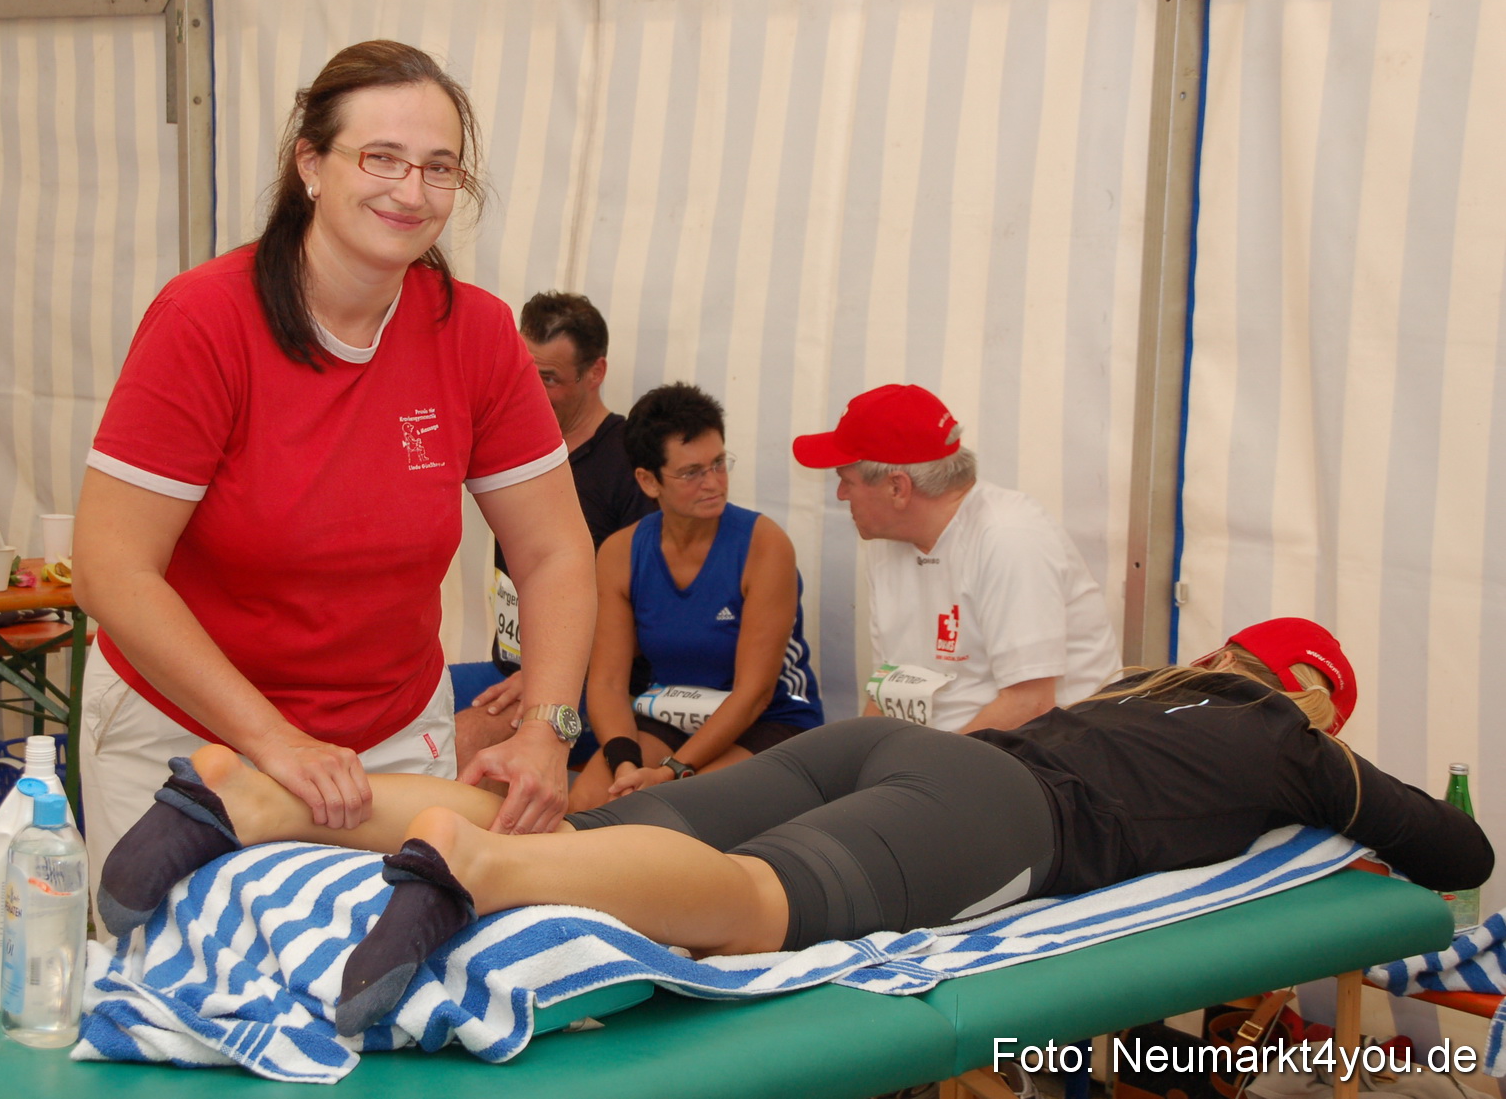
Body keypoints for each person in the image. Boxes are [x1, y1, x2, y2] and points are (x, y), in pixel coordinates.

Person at [96, 618, 1490, 1038]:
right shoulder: (1295, 747)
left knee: (627, 816)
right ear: (1302, 693)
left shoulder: (1142, 691)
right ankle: (488, 866)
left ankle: (261, 793)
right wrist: (1332, 772)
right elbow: (1458, 858)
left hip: (899, 748)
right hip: (997, 816)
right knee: (747, 899)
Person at [71, 41, 598, 908]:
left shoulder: (473, 332)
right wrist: (272, 741)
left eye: (439, 168)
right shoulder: (205, 319)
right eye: (381, 158)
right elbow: (111, 567)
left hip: (388, 738)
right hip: (191, 736)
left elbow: (553, 552)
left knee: (387, 990)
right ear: (310, 165)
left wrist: (549, 726)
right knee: (184, 1003)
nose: (410, 190)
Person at [793, 383, 1120, 733]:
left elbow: (1030, 706)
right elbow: (890, 688)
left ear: (897, 488)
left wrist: (917, 772)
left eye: (846, 481)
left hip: (1045, 758)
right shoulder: (888, 541)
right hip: (949, 753)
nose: (841, 495)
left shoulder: (1009, 536)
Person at [564, 382, 823, 813]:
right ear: (648, 481)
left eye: (719, 464)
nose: (714, 483)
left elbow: (754, 693)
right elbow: (607, 683)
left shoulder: (764, 545)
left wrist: (669, 772)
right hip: (672, 713)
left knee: (680, 810)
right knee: (587, 805)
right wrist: (625, 764)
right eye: (692, 472)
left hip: (768, 720)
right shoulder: (620, 553)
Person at [455, 291, 656, 764]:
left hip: (590, 684)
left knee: (458, 745)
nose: (532, 389)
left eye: (550, 378)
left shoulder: (632, 467)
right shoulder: (511, 445)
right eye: (526, 372)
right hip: (507, 670)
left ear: (596, 374)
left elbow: (643, 608)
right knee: (389, 719)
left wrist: (552, 675)